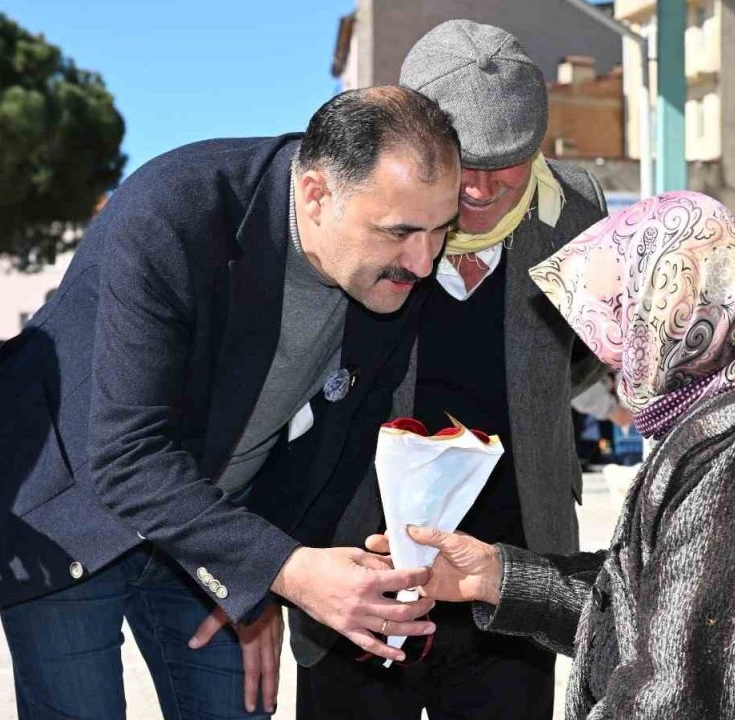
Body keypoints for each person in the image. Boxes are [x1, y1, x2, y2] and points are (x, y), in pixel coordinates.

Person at [0, 87, 459, 719]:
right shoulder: (174, 210)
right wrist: (284, 569)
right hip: (69, 503)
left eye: (441, 230)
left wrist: (260, 581)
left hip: (213, 515)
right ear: (317, 195)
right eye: (400, 232)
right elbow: (125, 457)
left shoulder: (393, 272)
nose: (423, 262)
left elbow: (338, 443)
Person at [372, 193, 735, 719]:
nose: (611, 352)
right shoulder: (734, 410)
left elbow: (686, 689)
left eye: (621, 319)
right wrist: (497, 577)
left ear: (671, 312)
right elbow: (654, 607)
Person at [292, 21, 607, 720]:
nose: (484, 189)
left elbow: (580, 360)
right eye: (466, 162)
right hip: (362, 571)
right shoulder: (357, 206)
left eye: (510, 163)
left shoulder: (578, 214)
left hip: (512, 578)